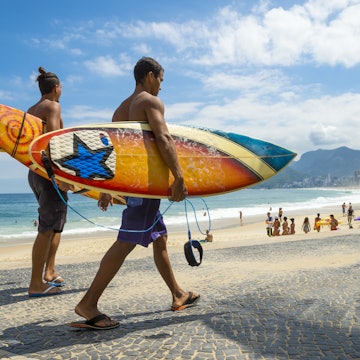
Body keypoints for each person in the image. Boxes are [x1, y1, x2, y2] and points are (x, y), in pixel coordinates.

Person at [73, 57, 199, 330]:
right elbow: (164, 138)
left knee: (160, 239)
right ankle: (88, 304)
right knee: (124, 243)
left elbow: (115, 153)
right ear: (151, 76)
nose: (161, 88)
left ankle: (178, 293)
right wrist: (179, 176)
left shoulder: (119, 111)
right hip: (146, 185)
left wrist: (108, 188)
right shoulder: (150, 102)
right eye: (161, 81)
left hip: (134, 186)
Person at [27, 67, 72, 297]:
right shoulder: (52, 106)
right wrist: (63, 177)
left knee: (55, 222)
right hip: (49, 174)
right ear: (56, 88)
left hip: (34, 173)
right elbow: (54, 142)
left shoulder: (31, 109)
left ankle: (50, 271)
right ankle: (36, 283)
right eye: (61, 87)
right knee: (46, 228)